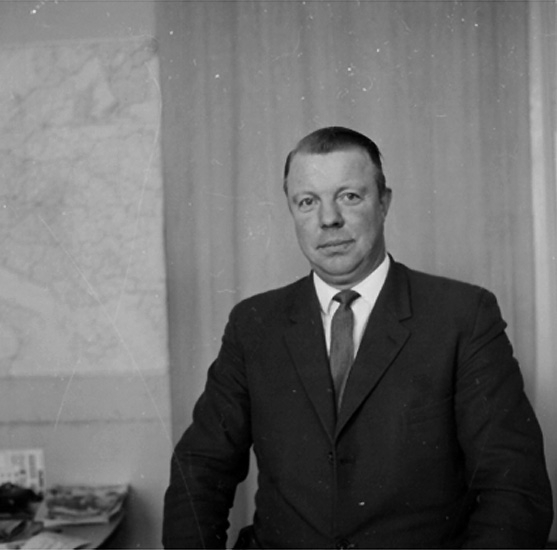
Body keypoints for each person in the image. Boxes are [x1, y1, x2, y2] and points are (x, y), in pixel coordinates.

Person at [162, 127, 553, 549]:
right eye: (307, 201)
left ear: (384, 203)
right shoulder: (254, 324)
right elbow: (199, 470)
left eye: (349, 196)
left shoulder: (462, 316)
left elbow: (515, 490)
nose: (328, 219)